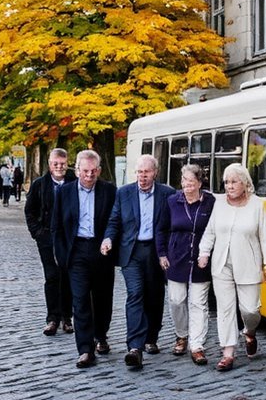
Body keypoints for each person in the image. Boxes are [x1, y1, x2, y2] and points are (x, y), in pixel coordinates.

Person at [197, 163, 266, 372]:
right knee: (226, 310)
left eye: (233, 182)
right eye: (226, 182)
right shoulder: (219, 204)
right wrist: (204, 252)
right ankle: (228, 353)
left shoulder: (257, 205)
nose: (229, 186)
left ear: (245, 183)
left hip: (248, 263)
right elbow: (210, 231)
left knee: (250, 309)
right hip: (221, 264)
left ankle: (249, 332)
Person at [101, 154, 174, 369]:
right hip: (131, 253)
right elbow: (114, 220)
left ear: (155, 173)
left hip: (155, 252)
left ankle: (151, 337)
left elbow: (173, 223)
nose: (142, 176)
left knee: (154, 295)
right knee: (135, 293)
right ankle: (135, 347)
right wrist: (108, 238)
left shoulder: (167, 194)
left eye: (147, 172)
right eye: (139, 172)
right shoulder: (124, 193)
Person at [52, 150, 118, 368]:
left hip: (101, 251)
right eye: (85, 171)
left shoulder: (109, 191)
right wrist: (62, 256)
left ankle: (101, 335)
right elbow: (57, 226)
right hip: (76, 251)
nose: (89, 175)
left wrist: (109, 240)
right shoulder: (65, 192)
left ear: (99, 170)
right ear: (77, 170)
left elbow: (115, 221)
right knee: (80, 301)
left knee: (102, 299)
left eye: (93, 171)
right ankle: (85, 349)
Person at [156, 164, 215, 365]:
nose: (187, 185)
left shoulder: (210, 202)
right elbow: (161, 229)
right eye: (184, 181)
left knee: (199, 303)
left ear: (200, 182)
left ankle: (197, 345)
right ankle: (181, 334)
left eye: (191, 181)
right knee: (176, 299)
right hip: (176, 256)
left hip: (201, 258)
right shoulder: (172, 201)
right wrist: (162, 254)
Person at [25, 148, 74, 337]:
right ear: (50, 164)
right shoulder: (40, 184)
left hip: (69, 238)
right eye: (56, 164)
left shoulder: (74, 182)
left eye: (62, 163)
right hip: (47, 237)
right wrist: (38, 233)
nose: (59, 167)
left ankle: (67, 317)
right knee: (52, 276)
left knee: (67, 276)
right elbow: (30, 211)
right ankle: (52, 318)